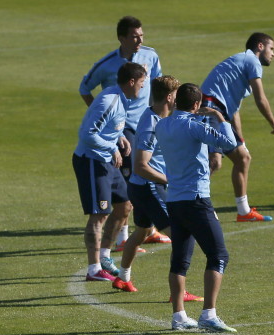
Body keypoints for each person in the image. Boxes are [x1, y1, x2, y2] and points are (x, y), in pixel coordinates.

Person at [79, 15, 169, 249]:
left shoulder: (151, 55)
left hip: (147, 122)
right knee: (133, 178)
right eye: (134, 36)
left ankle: (147, 228)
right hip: (124, 128)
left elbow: (157, 85)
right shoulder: (107, 64)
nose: (139, 40)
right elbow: (84, 87)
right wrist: (102, 116)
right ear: (122, 38)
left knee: (147, 170)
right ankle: (125, 238)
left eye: (141, 35)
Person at [155, 83, 239, 332]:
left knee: (180, 260)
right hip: (196, 199)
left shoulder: (162, 125)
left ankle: (179, 316)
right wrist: (219, 118)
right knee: (218, 255)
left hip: (174, 200)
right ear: (196, 104)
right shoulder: (194, 126)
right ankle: (208, 314)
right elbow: (229, 143)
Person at [112, 75, 202, 302]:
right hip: (149, 186)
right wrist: (169, 180)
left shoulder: (156, 117)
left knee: (142, 231)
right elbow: (141, 166)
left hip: (140, 187)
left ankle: (122, 277)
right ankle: (178, 292)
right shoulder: (151, 125)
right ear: (170, 97)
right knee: (181, 235)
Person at [73, 62, 145, 282]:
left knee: (125, 205)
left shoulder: (122, 98)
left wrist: (119, 137)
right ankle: (93, 269)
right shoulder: (109, 100)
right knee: (99, 214)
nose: (143, 88)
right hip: (92, 161)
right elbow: (87, 134)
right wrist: (112, 148)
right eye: (141, 83)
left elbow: (109, 125)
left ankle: (104, 256)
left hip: (106, 162)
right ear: (131, 82)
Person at [201, 32, 274, 222]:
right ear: (260, 46)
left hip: (217, 111)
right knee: (215, 161)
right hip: (210, 109)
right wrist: (273, 121)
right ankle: (192, 204)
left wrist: (241, 140)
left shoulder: (242, 66)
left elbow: (234, 110)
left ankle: (243, 211)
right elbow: (261, 99)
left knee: (241, 158)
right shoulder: (252, 61)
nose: (273, 54)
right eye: (271, 48)